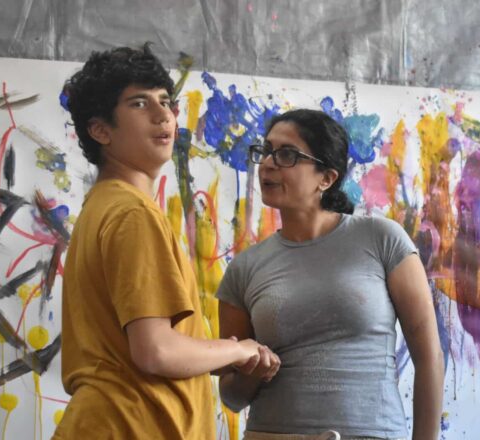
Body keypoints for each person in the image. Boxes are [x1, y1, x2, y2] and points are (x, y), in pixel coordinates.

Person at [54, 44, 279, 439]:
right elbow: (156, 350)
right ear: (100, 129)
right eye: (139, 104)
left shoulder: (104, 206)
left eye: (165, 101)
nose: (164, 116)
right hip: (132, 426)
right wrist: (240, 349)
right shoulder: (131, 214)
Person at [217, 109, 444, 440]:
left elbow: (429, 358)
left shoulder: (381, 238)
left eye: (286, 154)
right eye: (266, 151)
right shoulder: (244, 268)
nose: (267, 163)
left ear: (326, 178)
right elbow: (231, 396)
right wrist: (253, 372)